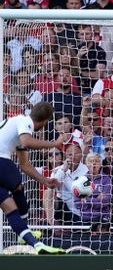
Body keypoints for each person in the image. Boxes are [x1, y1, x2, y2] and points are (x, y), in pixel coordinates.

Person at [0, 102, 67, 254]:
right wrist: (54, 144)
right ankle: (26, 232)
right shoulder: (23, 122)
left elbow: (24, 165)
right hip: (1, 161)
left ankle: (34, 243)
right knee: (17, 185)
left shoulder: (14, 126)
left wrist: (45, 180)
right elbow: (27, 142)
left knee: (10, 208)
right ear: (44, 121)